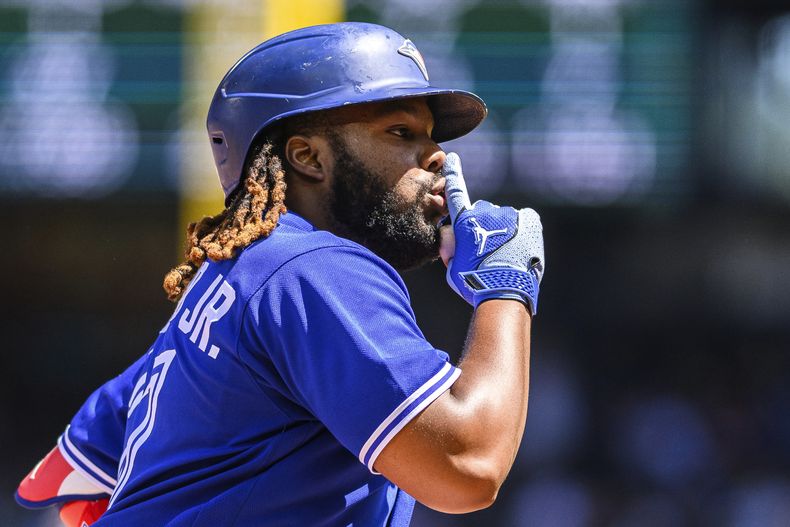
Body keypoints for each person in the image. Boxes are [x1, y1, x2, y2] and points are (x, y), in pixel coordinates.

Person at [15, 22, 544, 526]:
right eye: (401, 131)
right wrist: (505, 286)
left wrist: (100, 455)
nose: (436, 158)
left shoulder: (242, 272)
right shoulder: (315, 268)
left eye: (431, 137)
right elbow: (466, 467)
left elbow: (76, 456)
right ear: (307, 156)